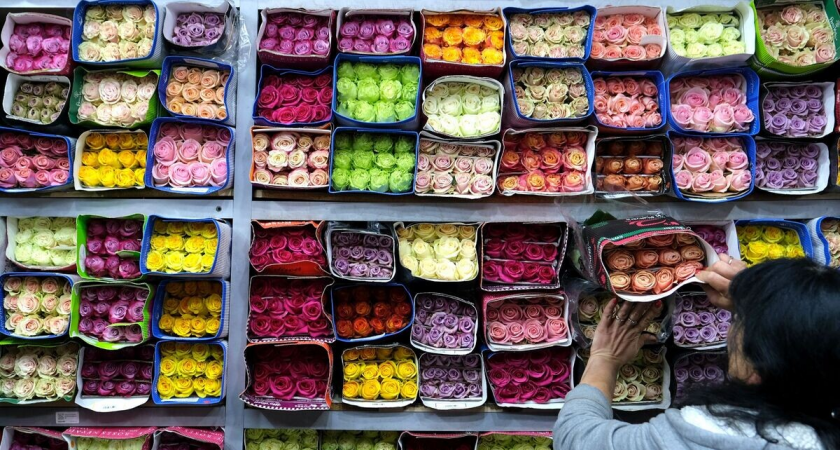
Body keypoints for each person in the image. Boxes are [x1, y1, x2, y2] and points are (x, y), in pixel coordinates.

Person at [554, 256, 840, 450]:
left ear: (759, 367)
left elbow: (576, 438)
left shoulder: (709, 435)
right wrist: (764, 302)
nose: (732, 325)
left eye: (738, 320)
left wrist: (604, 358)